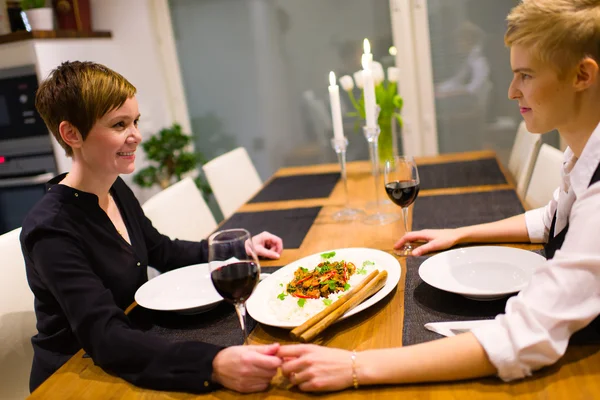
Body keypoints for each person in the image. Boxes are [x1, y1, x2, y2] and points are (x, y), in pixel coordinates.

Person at [277, 0, 600, 391]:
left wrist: (354, 365)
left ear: (582, 75)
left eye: (526, 75)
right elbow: (551, 219)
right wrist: (461, 234)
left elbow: (523, 338)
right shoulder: (582, 154)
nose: (513, 91)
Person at [21, 61, 284, 394]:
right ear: (72, 134)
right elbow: (104, 336)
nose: (137, 136)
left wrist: (237, 250)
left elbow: (162, 250)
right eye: (119, 125)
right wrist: (212, 364)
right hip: (74, 378)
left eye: (135, 121)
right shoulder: (51, 229)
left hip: (127, 349)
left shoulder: (114, 188)